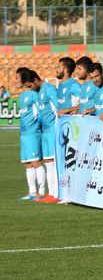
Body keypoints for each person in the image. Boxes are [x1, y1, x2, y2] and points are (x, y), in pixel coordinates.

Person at [21, 69, 60, 202]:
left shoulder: (49, 89)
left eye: (30, 85)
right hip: (45, 131)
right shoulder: (38, 92)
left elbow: (58, 109)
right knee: (48, 162)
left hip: (53, 130)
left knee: (53, 162)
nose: (30, 89)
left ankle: (56, 193)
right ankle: (51, 193)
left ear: (35, 80)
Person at [16, 69, 45, 200]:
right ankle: (32, 192)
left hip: (33, 133)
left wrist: (37, 126)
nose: (16, 81)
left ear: (24, 79)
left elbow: (40, 112)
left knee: (36, 162)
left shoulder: (34, 94)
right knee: (27, 163)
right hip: (24, 134)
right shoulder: (22, 96)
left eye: (18, 78)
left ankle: (42, 192)